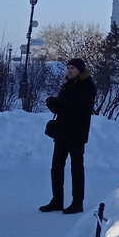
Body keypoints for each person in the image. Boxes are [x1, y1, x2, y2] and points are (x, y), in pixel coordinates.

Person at [39, 57, 95, 215]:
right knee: (56, 168)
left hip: (77, 134)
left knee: (76, 169)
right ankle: (57, 200)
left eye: (72, 68)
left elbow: (80, 108)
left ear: (80, 70)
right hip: (62, 132)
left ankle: (77, 203)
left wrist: (60, 105)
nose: (69, 71)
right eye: (68, 68)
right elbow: (63, 107)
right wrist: (54, 104)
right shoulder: (67, 85)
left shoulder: (87, 86)